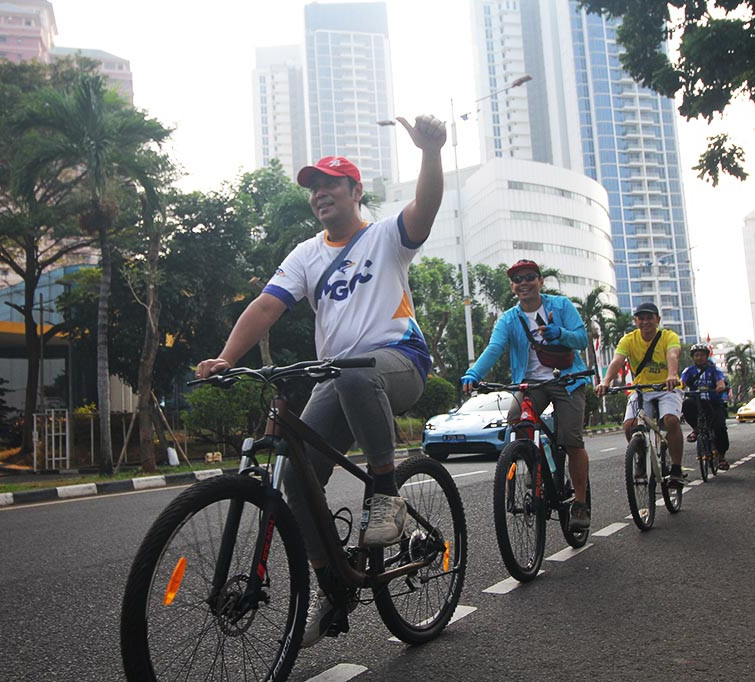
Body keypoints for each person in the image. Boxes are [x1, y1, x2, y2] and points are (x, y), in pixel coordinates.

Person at [194, 114, 447, 646]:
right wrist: (225, 357)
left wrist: (430, 152)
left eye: (331, 184)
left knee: (355, 374)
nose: (319, 194)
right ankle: (334, 583)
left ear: (355, 192)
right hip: (337, 376)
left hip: (399, 362)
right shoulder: (306, 254)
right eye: (313, 187)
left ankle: (386, 492)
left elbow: (424, 210)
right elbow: (267, 306)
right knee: (294, 474)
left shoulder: (385, 236)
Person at [459, 259, 592, 531]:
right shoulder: (509, 319)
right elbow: (494, 348)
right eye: (518, 279)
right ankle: (536, 466)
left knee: (572, 441)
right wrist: (473, 373)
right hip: (530, 383)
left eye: (530, 277)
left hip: (567, 380)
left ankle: (579, 503)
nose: (524, 283)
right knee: (516, 419)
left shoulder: (561, 306)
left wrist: (561, 333)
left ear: (540, 281)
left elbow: (581, 339)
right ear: (513, 287)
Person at [595, 302, 686, 483]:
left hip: (667, 387)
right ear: (636, 321)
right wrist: (605, 382)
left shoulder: (669, 336)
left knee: (671, 420)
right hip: (641, 389)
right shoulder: (628, 340)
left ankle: (676, 468)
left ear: (658, 319)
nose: (645, 322)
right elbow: (617, 361)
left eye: (649, 318)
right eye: (641, 318)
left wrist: (671, 375)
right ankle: (641, 457)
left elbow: (672, 355)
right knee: (629, 425)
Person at [680, 343, 730, 470]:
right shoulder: (688, 371)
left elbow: (720, 382)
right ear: (693, 357)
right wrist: (678, 389)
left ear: (707, 356)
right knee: (686, 405)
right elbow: (682, 384)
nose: (699, 358)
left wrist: (720, 386)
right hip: (696, 402)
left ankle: (721, 457)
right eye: (696, 355)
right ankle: (696, 429)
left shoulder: (714, 370)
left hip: (714, 402)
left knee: (720, 427)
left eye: (702, 355)